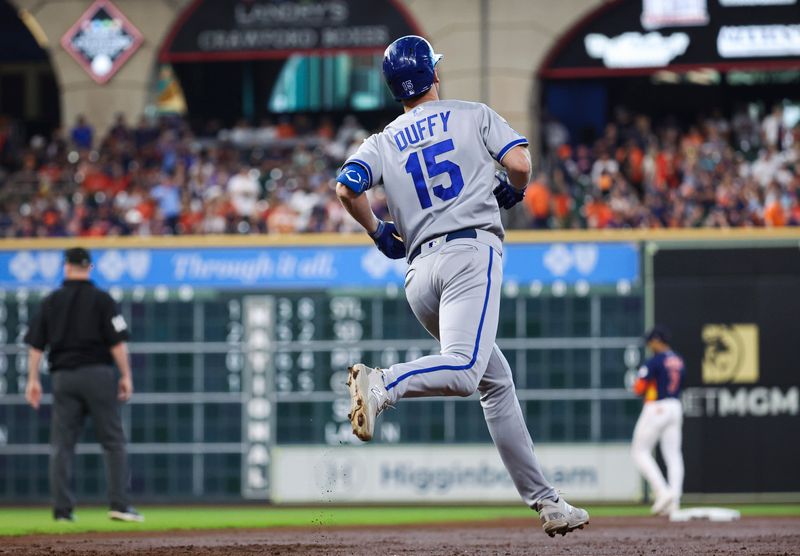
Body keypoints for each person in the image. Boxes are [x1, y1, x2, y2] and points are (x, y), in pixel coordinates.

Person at [335, 35, 589, 538]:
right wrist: (511, 191)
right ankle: (384, 383)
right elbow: (519, 164)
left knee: (495, 383)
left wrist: (378, 229)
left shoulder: (382, 139)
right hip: (469, 253)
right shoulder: (470, 113)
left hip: (418, 275)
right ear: (433, 76)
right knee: (468, 371)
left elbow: (347, 186)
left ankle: (547, 501)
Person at [24, 247, 143, 523]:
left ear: (66, 267)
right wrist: (126, 375)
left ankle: (62, 511)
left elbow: (35, 346)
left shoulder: (51, 301)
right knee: (113, 441)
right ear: (89, 267)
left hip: (63, 377)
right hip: (97, 374)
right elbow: (117, 343)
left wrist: (32, 379)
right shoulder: (102, 300)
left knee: (62, 446)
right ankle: (119, 505)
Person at [630, 325, 685, 516]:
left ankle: (662, 492)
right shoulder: (678, 360)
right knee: (673, 455)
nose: (649, 345)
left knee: (639, 451)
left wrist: (637, 385)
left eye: (650, 341)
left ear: (657, 341)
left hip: (657, 406)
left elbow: (639, 387)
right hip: (675, 406)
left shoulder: (654, 361)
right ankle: (674, 500)